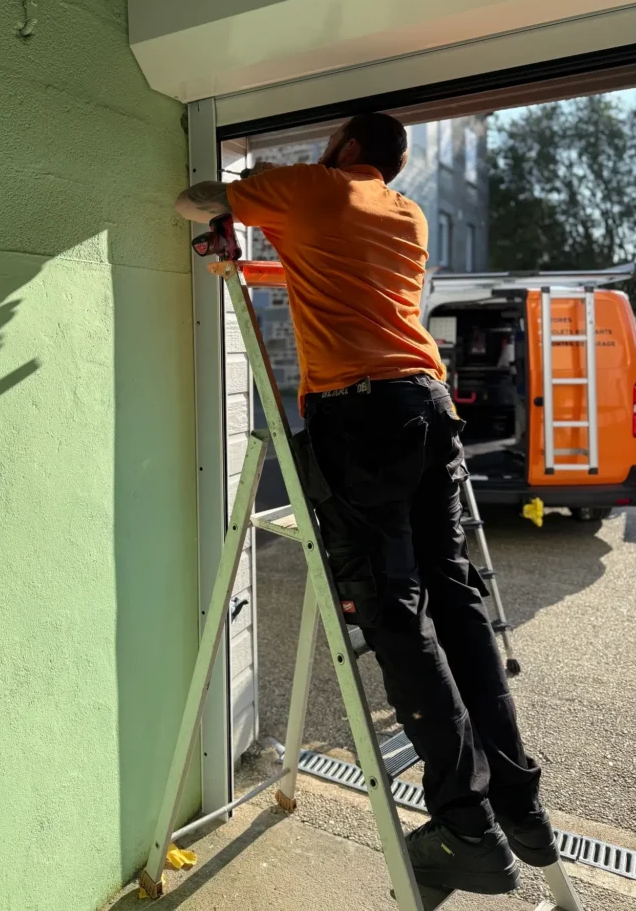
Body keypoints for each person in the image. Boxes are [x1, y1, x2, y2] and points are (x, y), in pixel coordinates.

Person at [174, 113, 556, 895]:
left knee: (392, 611)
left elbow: (193, 195)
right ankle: (518, 801)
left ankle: (465, 825)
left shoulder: (313, 189)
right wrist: (255, 268)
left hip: (362, 416)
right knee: (454, 598)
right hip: (427, 403)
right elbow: (327, 269)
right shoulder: (404, 215)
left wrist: (228, 214)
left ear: (345, 148)